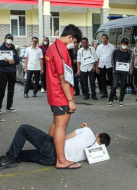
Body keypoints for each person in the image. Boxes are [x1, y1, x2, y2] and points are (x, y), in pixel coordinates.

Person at [46, 24, 82, 169]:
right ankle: (61, 160)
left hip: (53, 93)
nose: (73, 45)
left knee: (56, 124)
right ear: (70, 37)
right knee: (61, 127)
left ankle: (49, 153)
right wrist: (71, 100)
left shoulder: (52, 46)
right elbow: (64, 78)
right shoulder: (60, 49)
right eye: (74, 42)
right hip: (60, 94)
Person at [0, 123, 111, 170]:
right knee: (21, 155)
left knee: (23, 129)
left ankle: (8, 159)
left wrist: (86, 128)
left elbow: (65, 138)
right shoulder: (96, 154)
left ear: (97, 135)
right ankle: (10, 159)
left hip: (52, 148)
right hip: (50, 161)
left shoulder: (88, 131)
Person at [0, 34, 20, 120]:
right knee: (1, 90)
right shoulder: (0, 49)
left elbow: (17, 60)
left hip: (12, 72)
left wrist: (13, 61)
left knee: (11, 89)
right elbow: (0, 62)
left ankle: (9, 105)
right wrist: (9, 62)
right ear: (5, 39)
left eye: (11, 39)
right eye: (8, 38)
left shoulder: (14, 50)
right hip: (3, 72)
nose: (9, 40)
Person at [107, 38, 131, 107]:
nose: (124, 45)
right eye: (123, 44)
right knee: (114, 86)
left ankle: (121, 100)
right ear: (121, 44)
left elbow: (129, 61)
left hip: (124, 71)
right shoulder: (116, 51)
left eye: (126, 44)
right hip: (116, 71)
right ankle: (110, 100)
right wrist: (114, 68)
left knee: (123, 86)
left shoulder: (129, 52)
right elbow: (112, 59)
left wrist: (128, 68)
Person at [96, 34, 115, 98]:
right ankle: (104, 93)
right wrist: (97, 67)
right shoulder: (99, 47)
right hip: (101, 65)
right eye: (103, 38)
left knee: (111, 80)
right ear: (101, 39)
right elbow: (97, 58)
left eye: (105, 38)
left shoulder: (112, 47)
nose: (104, 40)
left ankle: (113, 94)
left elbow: (114, 57)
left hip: (109, 65)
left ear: (108, 39)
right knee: (102, 79)